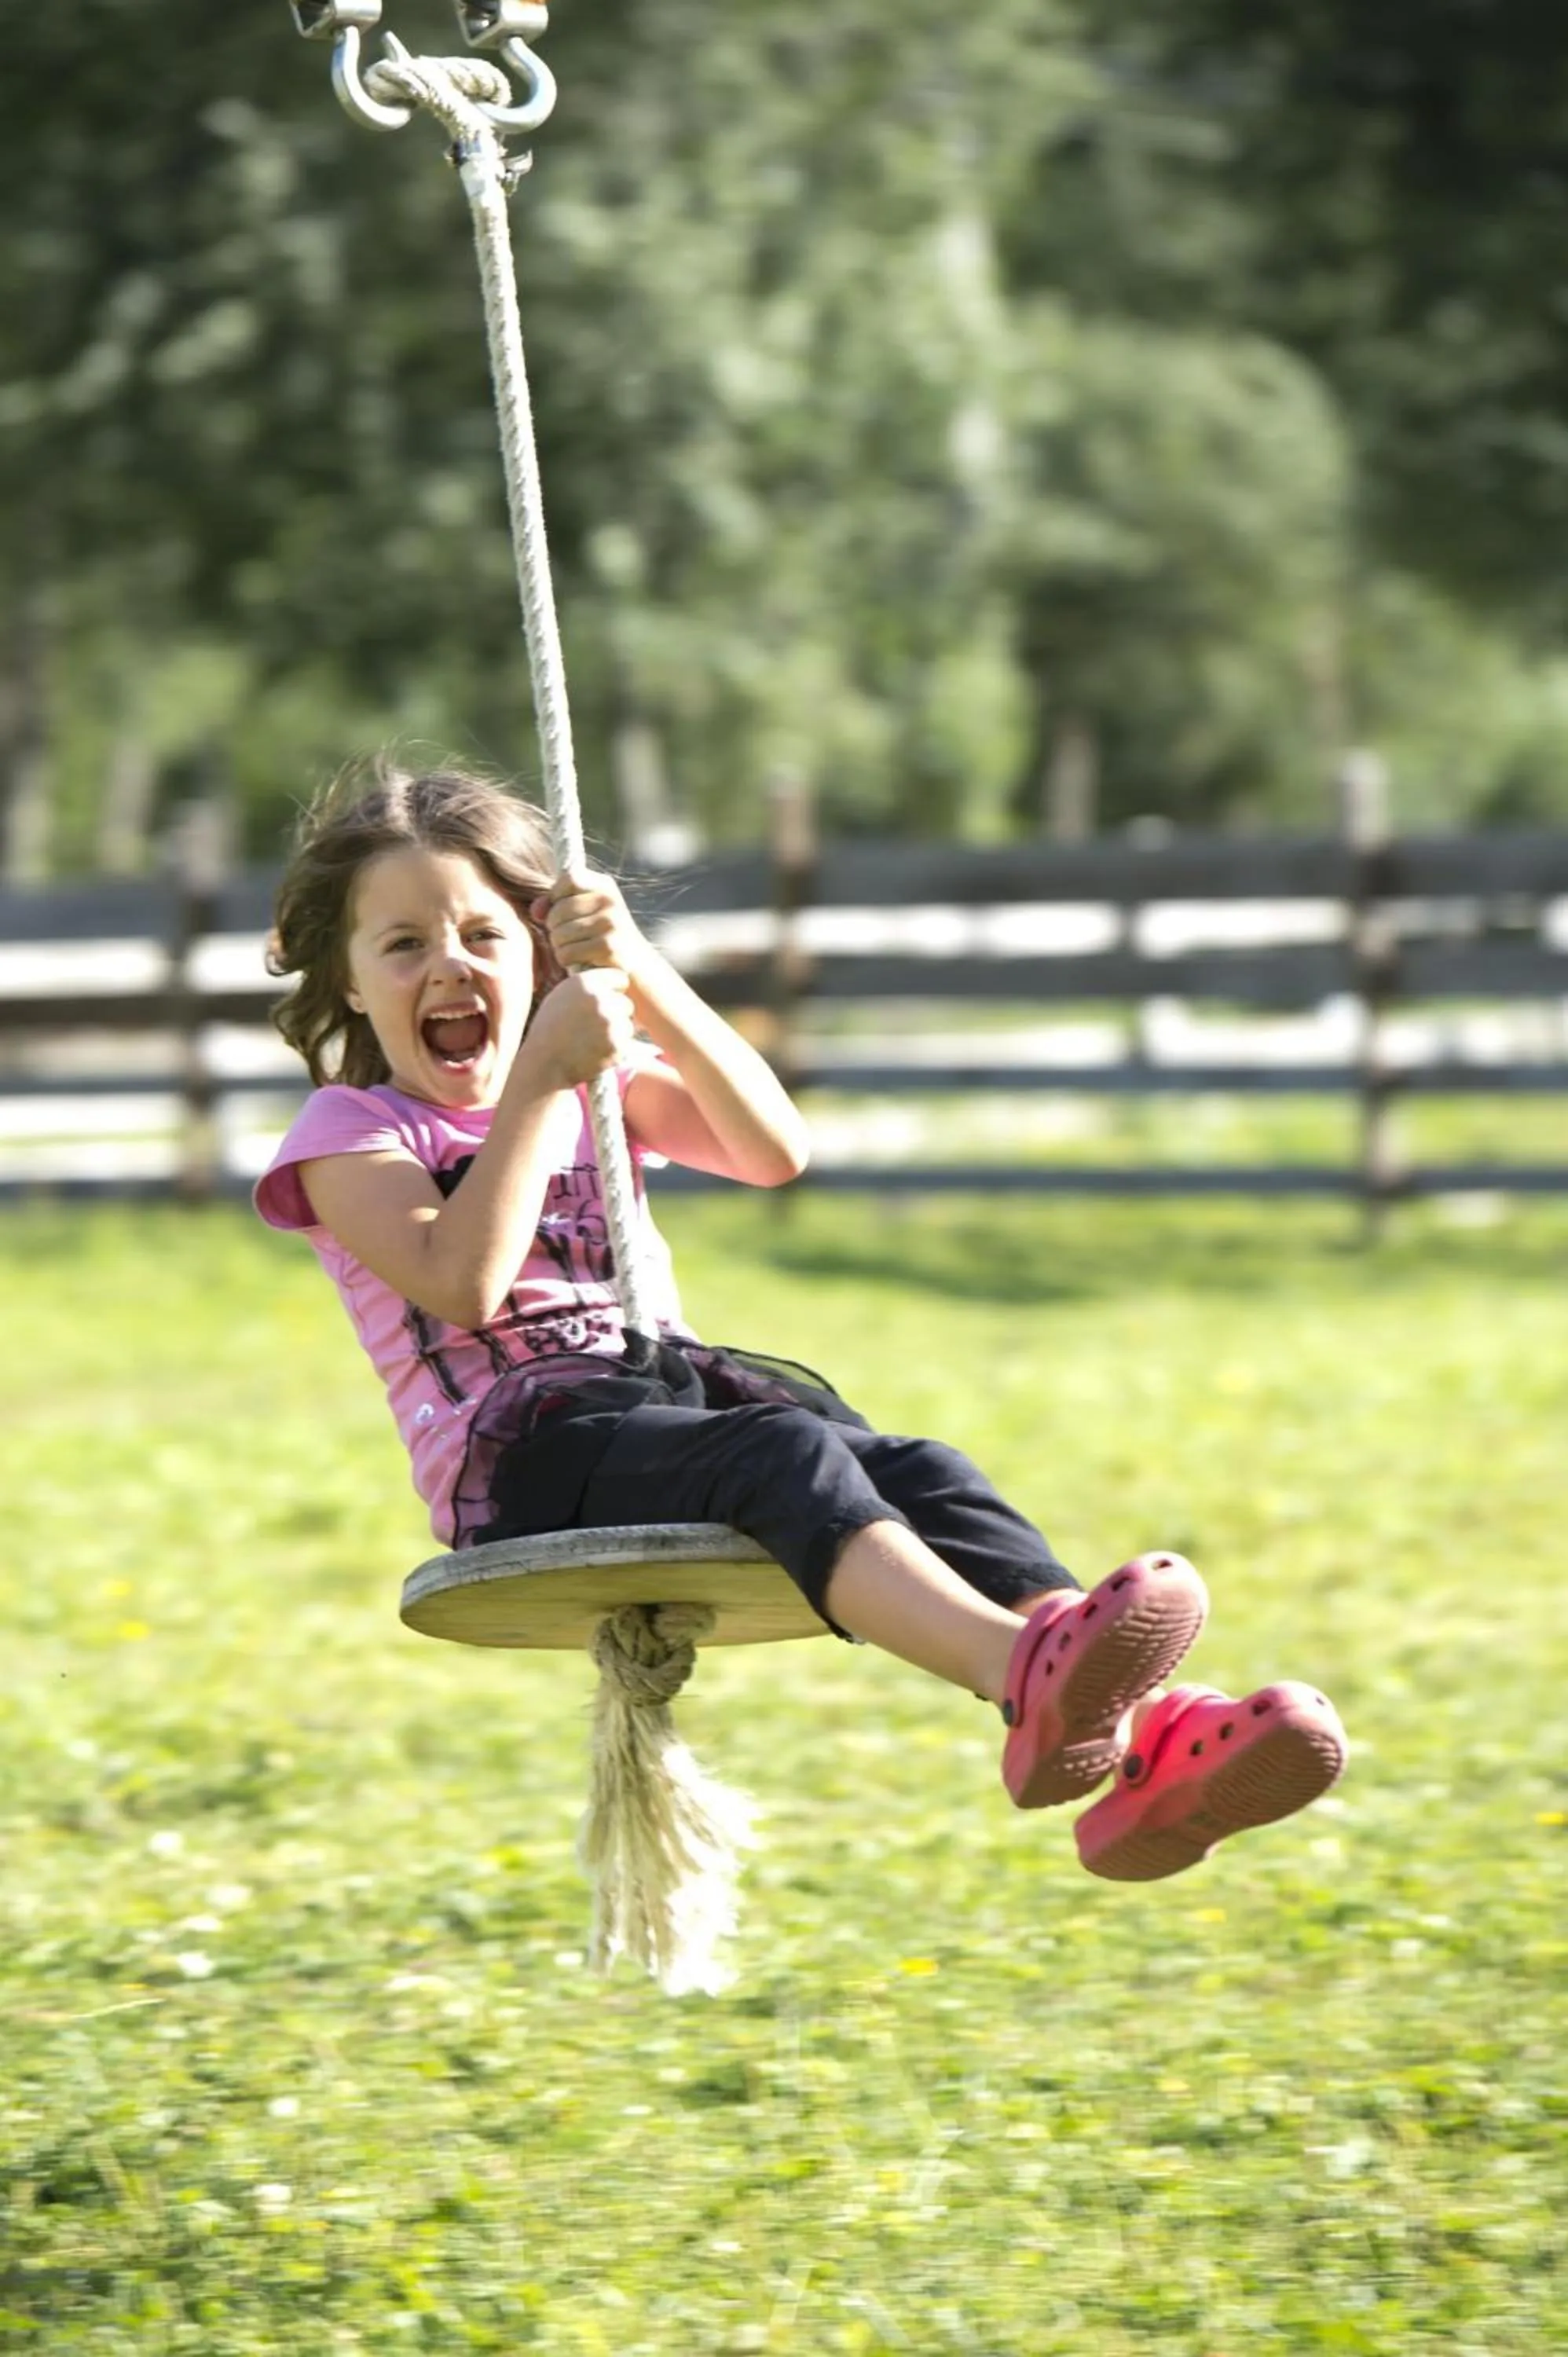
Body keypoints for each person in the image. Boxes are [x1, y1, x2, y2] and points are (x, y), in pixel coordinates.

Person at [256, 759, 1347, 1882]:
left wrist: (637, 968)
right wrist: (540, 1076)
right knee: (776, 1454)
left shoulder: (592, 1082)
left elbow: (774, 1150)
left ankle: (1146, 1745)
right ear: (345, 980)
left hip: (655, 1399)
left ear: (535, 951)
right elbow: (464, 1283)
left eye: (486, 937)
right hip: (527, 1459)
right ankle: (1023, 1673)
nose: (451, 967)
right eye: (404, 946)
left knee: (913, 1465)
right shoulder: (350, 1132)